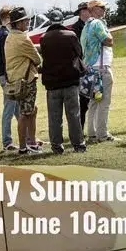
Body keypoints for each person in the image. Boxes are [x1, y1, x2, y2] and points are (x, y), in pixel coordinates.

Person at [39, 18, 86, 153]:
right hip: (70, 81)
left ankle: (56, 146)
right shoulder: (71, 35)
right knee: (74, 115)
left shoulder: (44, 38)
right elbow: (79, 53)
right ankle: (78, 145)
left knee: (54, 117)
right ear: (62, 21)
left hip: (52, 84)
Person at [4, 7, 43, 154]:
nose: (27, 22)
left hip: (15, 80)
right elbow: (37, 59)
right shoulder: (23, 38)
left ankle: (31, 143)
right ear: (18, 23)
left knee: (31, 110)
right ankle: (24, 147)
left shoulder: (9, 37)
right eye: (25, 20)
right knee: (25, 113)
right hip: (26, 80)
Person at [80, 0, 116, 142]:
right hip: (102, 68)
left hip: (90, 69)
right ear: (93, 9)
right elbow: (109, 41)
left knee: (93, 102)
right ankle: (102, 134)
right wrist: (109, 33)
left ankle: (92, 133)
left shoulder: (86, 26)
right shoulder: (98, 23)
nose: (104, 10)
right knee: (104, 102)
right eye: (101, 7)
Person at [0, 5, 19, 151]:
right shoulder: (5, 35)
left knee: (17, 108)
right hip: (8, 75)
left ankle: (27, 136)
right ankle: (7, 141)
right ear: (7, 18)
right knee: (9, 108)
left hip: (3, 75)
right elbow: (6, 57)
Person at [71, 1, 91, 131]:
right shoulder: (75, 29)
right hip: (81, 69)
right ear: (82, 12)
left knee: (91, 100)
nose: (89, 12)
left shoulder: (92, 25)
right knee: (82, 102)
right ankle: (80, 130)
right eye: (87, 10)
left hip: (92, 65)